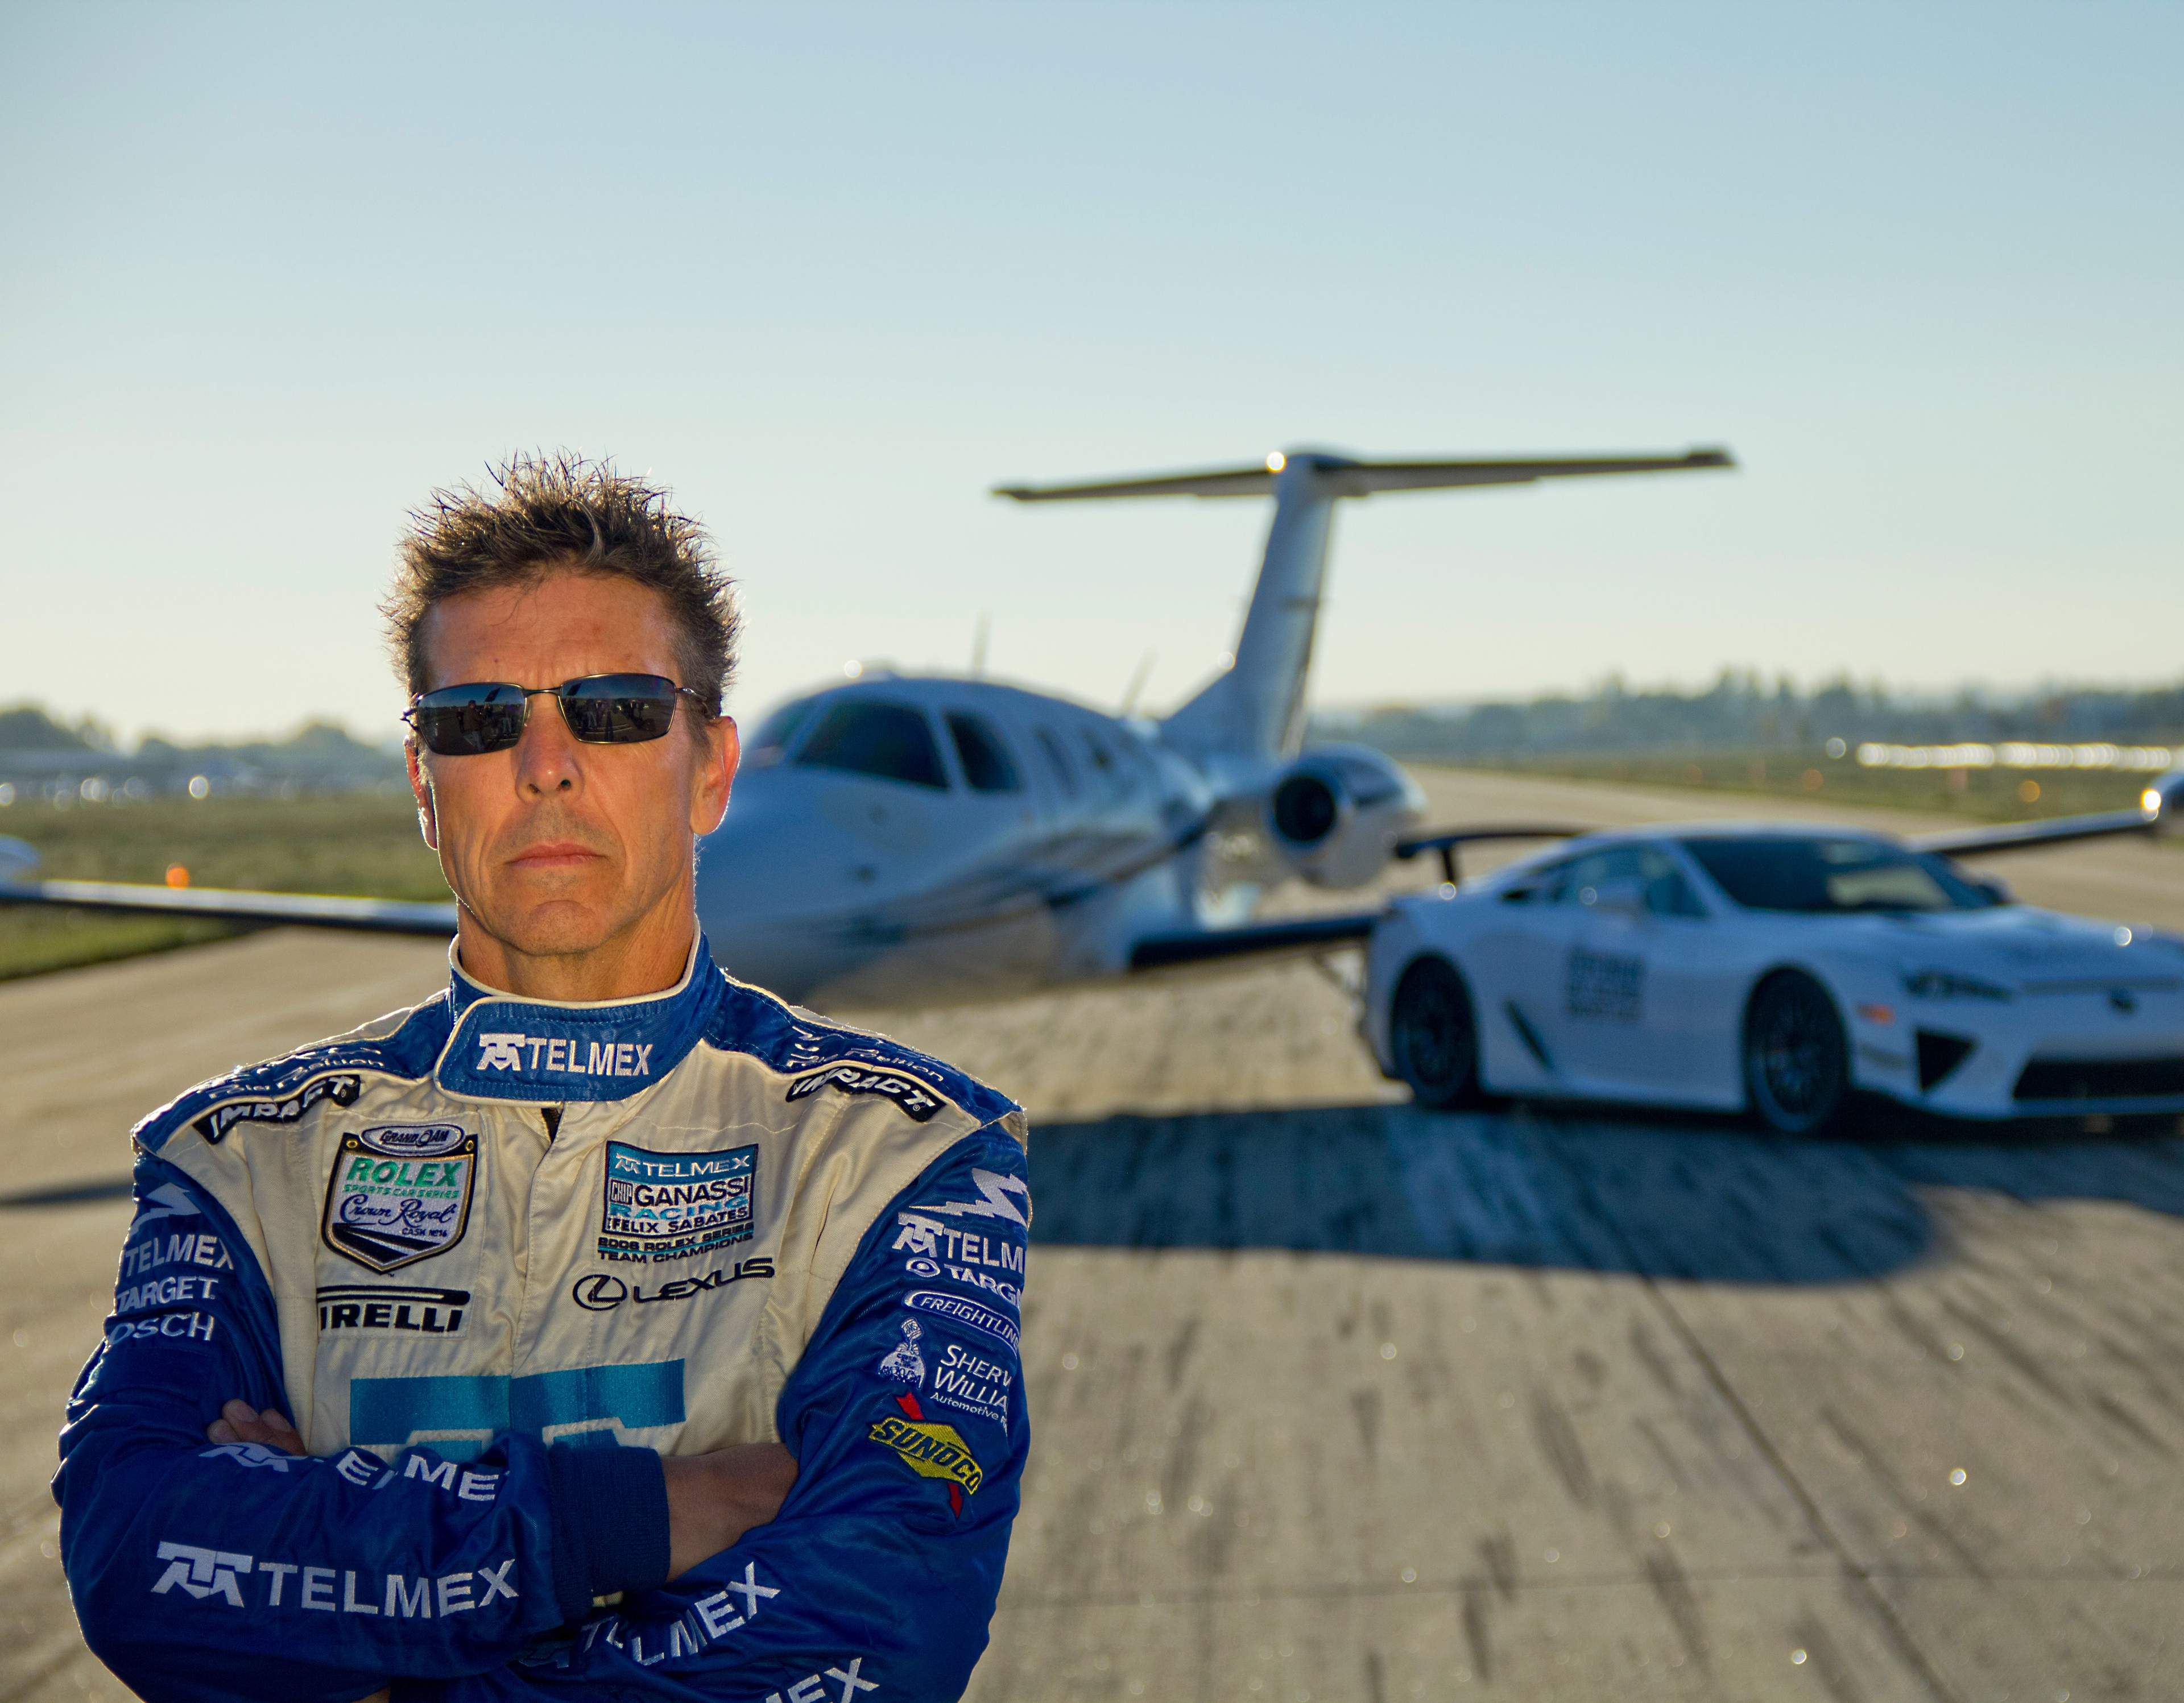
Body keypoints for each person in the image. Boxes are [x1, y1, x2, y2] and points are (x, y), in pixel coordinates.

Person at [55, 454, 1031, 1703]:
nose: (546, 762)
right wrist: (640, 1519)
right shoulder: (236, 1160)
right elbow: (139, 1559)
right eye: (479, 720)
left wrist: (352, 1637)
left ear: (715, 767)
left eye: (618, 708)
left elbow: (872, 1629)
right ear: (423, 780)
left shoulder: (911, 1156)